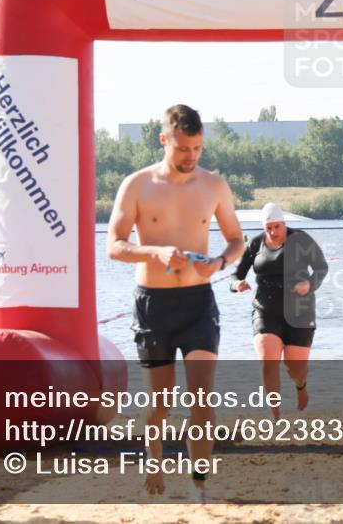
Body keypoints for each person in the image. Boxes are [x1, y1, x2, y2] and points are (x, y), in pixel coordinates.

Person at [107, 104, 245, 501]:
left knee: (202, 400)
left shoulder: (214, 185)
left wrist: (219, 263)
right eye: (183, 148)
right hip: (153, 306)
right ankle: (154, 460)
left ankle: (198, 484)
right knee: (160, 404)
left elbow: (237, 241)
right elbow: (113, 246)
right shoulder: (137, 185)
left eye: (198, 148)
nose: (191, 156)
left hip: (198, 302)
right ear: (164, 139)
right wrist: (155, 252)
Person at [229, 202, 328, 421]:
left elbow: (321, 267)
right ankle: (275, 414)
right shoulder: (256, 244)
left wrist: (310, 284)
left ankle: (301, 386)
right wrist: (237, 284)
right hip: (265, 310)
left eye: (277, 227)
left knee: (294, 368)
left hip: (300, 312)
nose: (273, 232)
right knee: (267, 361)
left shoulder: (301, 240)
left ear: (284, 223)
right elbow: (236, 274)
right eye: (268, 228)